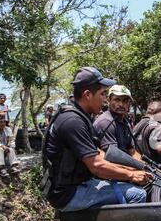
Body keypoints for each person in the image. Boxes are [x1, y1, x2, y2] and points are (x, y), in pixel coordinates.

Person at [43, 67, 152, 212]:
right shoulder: (72, 121)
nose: (104, 99)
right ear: (87, 94)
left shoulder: (80, 116)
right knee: (138, 194)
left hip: (79, 183)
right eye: (102, 94)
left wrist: (135, 168)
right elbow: (97, 166)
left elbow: (98, 154)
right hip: (68, 193)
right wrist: (131, 175)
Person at [93, 85, 139, 158]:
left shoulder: (125, 122)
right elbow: (113, 157)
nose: (121, 105)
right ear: (109, 100)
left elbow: (132, 151)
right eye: (117, 100)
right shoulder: (106, 122)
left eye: (125, 101)